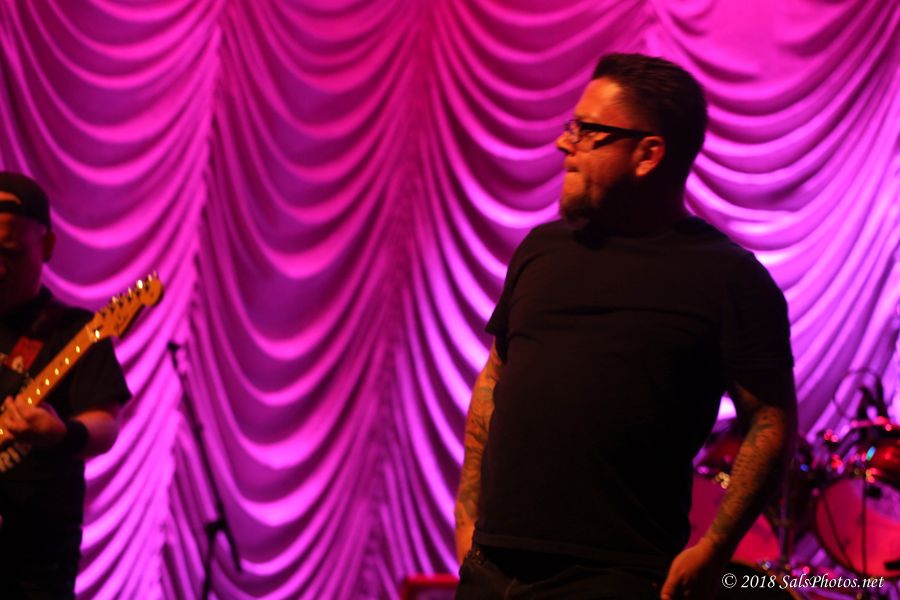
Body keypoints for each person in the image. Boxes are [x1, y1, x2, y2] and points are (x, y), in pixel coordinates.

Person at [454, 54, 797, 599]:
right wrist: (467, 517)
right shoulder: (540, 251)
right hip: (491, 568)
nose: (563, 144)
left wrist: (715, 548)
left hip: (616, 576)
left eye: (586, 131)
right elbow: (495, 378)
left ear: (648, 154)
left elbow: (770, 420)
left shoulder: (729, 278)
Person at [0, 171, 131, 599]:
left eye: (11, 252)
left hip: (33, 564)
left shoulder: (75, 332)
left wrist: (61, 434)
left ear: (47, 247)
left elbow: (105, 424)